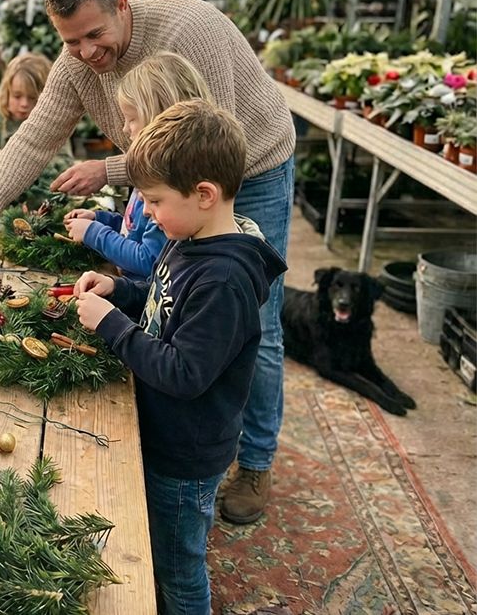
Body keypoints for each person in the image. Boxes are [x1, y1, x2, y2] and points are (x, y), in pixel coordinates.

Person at [0, 0, 295, 523]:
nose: (84, 52)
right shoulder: (75, 63)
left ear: (122, 7)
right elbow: (34, 137)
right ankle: (178, 396)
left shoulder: (190, 33)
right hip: (170, 177)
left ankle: (253, 460)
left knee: (258, 317)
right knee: (174, 290)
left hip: (249, 165)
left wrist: (110, 171)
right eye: (69, 41)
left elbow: (204, 147)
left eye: (94, 35)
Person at [74, 100, 287, 615]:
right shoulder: (188, 236)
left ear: (205, 195)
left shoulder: (224, 280)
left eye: (154, 200)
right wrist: (120, 291)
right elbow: (160, 296)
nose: (146, 212)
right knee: (160, 542)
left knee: (178, 567)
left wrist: (112, 325)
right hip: (165, 433)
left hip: (186, 454)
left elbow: (185, 372)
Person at [64, 52, 211, 279]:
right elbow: (135, 230)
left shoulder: (168, 188)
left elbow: (149, 259)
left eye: (131, 119)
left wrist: (94, 234)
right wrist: (102, 220)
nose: (125, 129)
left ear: (158, 119)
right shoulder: (150, 176)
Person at [0, 52, 71, 159]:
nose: (24, 104)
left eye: (32, 98)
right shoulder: (0, 120)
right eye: (17, 96)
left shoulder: (52, 126)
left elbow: (64, 161)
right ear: (7, 93)